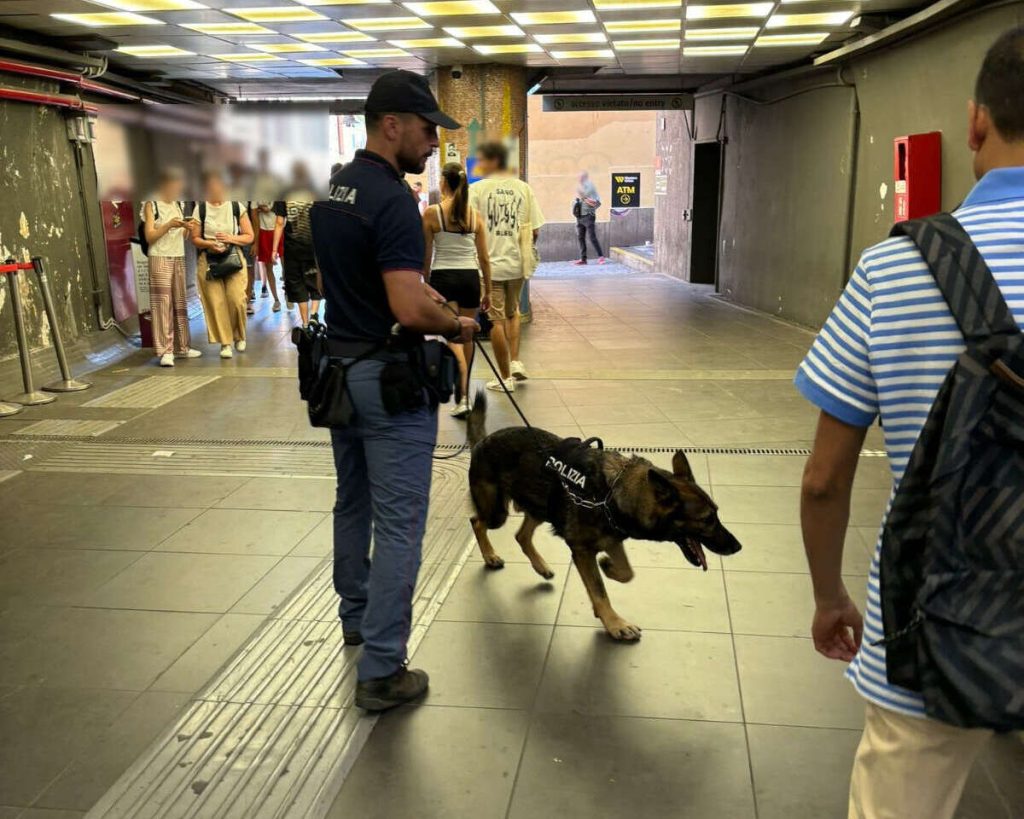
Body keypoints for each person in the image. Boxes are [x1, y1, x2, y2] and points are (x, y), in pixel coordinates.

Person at [796, 28, 1024, 819]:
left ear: (975, 123)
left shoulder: (895, 267)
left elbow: (825, 479)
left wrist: (829, 596)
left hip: (934, 624)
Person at [311, 69, 476, 712]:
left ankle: (356, 618)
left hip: (340, 373)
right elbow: (408, 307)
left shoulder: (334, 191)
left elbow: (357, 281)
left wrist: (417, 298)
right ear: (392, 125)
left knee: (352, 502)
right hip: (388, 383)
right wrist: (457, 322)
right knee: (401, 524)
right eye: (427, 128)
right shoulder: (394, 200)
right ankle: (382, 670)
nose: (434, 142)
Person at [469, 141, 545, 393]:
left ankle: (505, 378)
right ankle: (515, 362)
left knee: (496, 321)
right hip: (516, 263)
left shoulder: (476, 190)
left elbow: (468, 228)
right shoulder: (523, 189)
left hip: (488, 265)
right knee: (513, 314)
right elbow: (534, 230)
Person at [422, 162, 492, 418]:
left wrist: (425, 284)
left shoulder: (432, 213)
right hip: (470, 278)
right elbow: (484, 258)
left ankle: (462, 393)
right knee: (468, 336)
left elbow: (426, 255)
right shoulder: (475, 216)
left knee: (452, 337)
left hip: (444, 278)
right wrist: (488, 290)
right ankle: (464, 395)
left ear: (443, 183)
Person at [189, 169, 254, 359]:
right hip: (209, 260)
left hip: (232, 257)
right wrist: (209, 243)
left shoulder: (236, 206)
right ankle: (225, 343)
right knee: (215, 302)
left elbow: (249, 236)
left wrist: (230, 238)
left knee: (236, 299)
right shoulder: (200, 209)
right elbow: (195, 238)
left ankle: (239, 335)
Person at [141, 168, 202, 367]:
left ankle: (182, 346)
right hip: (159, 256)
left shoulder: (179, 203)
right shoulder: (151, 204)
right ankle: (165, 350)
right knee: (162, 305)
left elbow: (182, 236)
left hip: (178, 255)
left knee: (180, 302)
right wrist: (168, 225)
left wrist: (187, 228)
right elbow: (150, 236)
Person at [273, 162, 321, 327]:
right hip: (314, 245)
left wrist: (274, 250)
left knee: (297, 283)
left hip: (293, 247)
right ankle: (314, 314)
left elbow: (279, 222)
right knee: (314, 280)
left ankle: (306, 323)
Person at [251, 201, 283, 312]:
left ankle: (289, 293)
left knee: (286, 266)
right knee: (269, 268)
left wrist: (268, 207)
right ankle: (276, 300)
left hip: (281, 228)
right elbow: (254, 211)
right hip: (263, 231)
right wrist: (256, 241)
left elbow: (276, 207)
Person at [573, 170, 605, 265]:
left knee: (592, 237)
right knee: (580, 237)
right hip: (580, 216)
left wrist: (584, 198)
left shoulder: (590, 187)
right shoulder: (582, 187)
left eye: (580, 177)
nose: (578, 179)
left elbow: (596, 202)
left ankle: (601, 256)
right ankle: (583, 259)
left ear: (584, 177)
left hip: (588, 216)